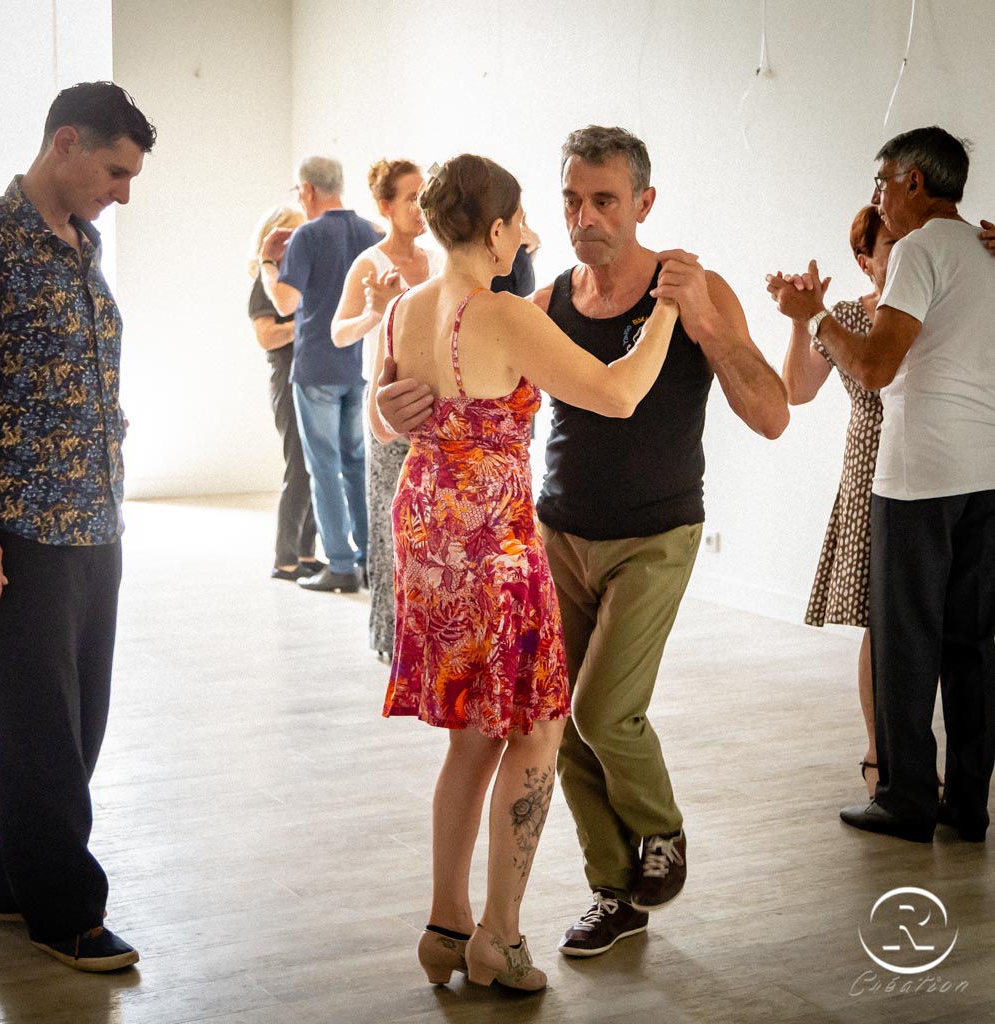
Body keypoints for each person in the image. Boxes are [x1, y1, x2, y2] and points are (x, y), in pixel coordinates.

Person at [378, 126, 788, 960]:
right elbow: (456, 390)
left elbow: (773, 414)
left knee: (602, 710)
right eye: (570, 199)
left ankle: (660, 832)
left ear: (644, 204)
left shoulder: (696, 289)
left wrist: (702, 320)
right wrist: (391, 409)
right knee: (552, 727)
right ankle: (612, 890)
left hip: (655, 531)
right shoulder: (543, 301)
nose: (583, 217)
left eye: (605, 200)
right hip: (553, 532)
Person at [369, 153, 680, 991]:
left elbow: (384, 412)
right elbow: (616, 394)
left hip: (429, 531)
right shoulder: (499, 312)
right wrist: (664, 315)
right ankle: (499, 938)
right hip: (494, 545)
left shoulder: (403, 309)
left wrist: (388, 412)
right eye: (521, 223)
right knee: (538, 730)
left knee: (471, 738)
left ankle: (446, 922)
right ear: (499, 229)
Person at [0, 81, 156, 971]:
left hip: (95, 518)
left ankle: (5, 876)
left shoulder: (80, 243)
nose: (122, 192)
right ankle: (65, 911)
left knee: (78, 723)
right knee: (40, 729)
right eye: (114, 170)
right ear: (66, 143)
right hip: (14, 531)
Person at [768, 125, 995, 845]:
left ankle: (903, 801)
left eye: (883, 182)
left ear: (917, 184)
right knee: (974, 647)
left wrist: (814, 319)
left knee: (905, 642)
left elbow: (873, 367)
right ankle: (966, 803)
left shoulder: (922, 249)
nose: (878, 197)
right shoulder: (987, 253)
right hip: (985, 473)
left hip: (920, 473)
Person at [778, 206, 893, 799]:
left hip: (945, 470)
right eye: (889, 246)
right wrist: (803, 320)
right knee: (882, 621)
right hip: (870, 468)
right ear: (864, 260)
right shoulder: (848, 314)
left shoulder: (945, 305)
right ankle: (880, 756)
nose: (903, 254)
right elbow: (796, 390)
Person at [260, 157, 382, 594]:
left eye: (298, 191)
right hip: (357, 366)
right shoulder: (372, 232)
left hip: (315, 367)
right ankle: (371, 560)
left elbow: (285, 305)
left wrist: (267, 262)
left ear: (308, 190)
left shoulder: (307, 236)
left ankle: (342, 566)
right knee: (355, 465)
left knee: (323, 468)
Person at [331, 158, 436, 656]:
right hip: (387, 406)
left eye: (425, 196)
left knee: (430, 528)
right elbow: (338, 332)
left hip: (434, 409)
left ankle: (430, 633)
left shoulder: (436, 259)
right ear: (385, 206)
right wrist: (376, 311)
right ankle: (392, 639)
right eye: (410, 198)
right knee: (390, 523)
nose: (420, 208)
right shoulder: (369, 264)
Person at [248, 204, 323, 581]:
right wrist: (308, 322)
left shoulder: (298, 280)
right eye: (290, 234)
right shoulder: (265, 285)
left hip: (308, 376)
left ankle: (306, 554)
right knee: (298, 466)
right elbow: (266, 335)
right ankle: (286, 559)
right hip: (286, 378)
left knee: (314, 468)